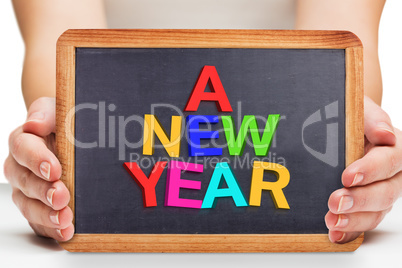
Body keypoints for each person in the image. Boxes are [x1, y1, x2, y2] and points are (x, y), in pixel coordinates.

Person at [4, 0, 401, 244]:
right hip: (125, 177)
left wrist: (358, 136)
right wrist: (55, 147)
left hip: (288, 187)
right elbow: (65, 53)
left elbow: (338, 49)